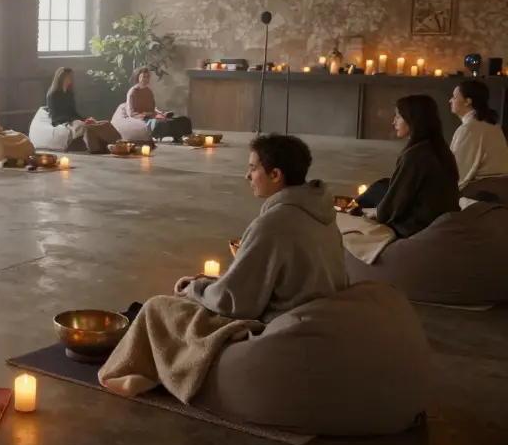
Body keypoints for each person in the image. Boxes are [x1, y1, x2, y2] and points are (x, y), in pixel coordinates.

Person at [176, 134, 347, 322]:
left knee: (160, 309)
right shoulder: (321, 210)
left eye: (253, 168)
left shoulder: (273, 225)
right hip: (325, 315)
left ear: (275, 175)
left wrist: (195, 288)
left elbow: (234, 302)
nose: (247, 176)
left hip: (290, 324)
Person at [360, 95, 461, 238]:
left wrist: (379, 212)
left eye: (398, 117)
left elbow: (400, 197)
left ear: (413, 120)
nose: (394, 122)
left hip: (419, 224)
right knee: (380, 186)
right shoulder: (439, 148)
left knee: (367, 201)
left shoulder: (416, 155)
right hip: (441, 217)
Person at [45, 67, 121, 153]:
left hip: (74, 119)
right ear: (61, 78)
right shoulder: (52, 95)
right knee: (85, 127)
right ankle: (95, 148)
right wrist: (75, 121)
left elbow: (73, 111)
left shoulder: (69, 93)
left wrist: (85, 119)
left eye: (71, 77)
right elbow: (55, 116)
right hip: (63, 121)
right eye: (68, 77)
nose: (70, 79)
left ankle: (119, 144)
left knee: (104, 123)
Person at [449, 80, 508, 191]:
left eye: (454, 97)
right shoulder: (493, 125)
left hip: (483, 192)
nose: (450, 100)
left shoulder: (469, 129)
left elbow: (458, 172)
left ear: (467, 101)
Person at [126, 67, 192, 142]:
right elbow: (131, 113)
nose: (145, 79)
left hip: (153, 117)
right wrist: (145, 116)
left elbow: (152, 109)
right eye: (143, 77)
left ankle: (179, 136)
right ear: (138, 78)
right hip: (145, 119)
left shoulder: (148, 92)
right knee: (159, 124)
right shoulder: (133, 92)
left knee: (184, 120)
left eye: (147, 77)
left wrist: (161, 114)